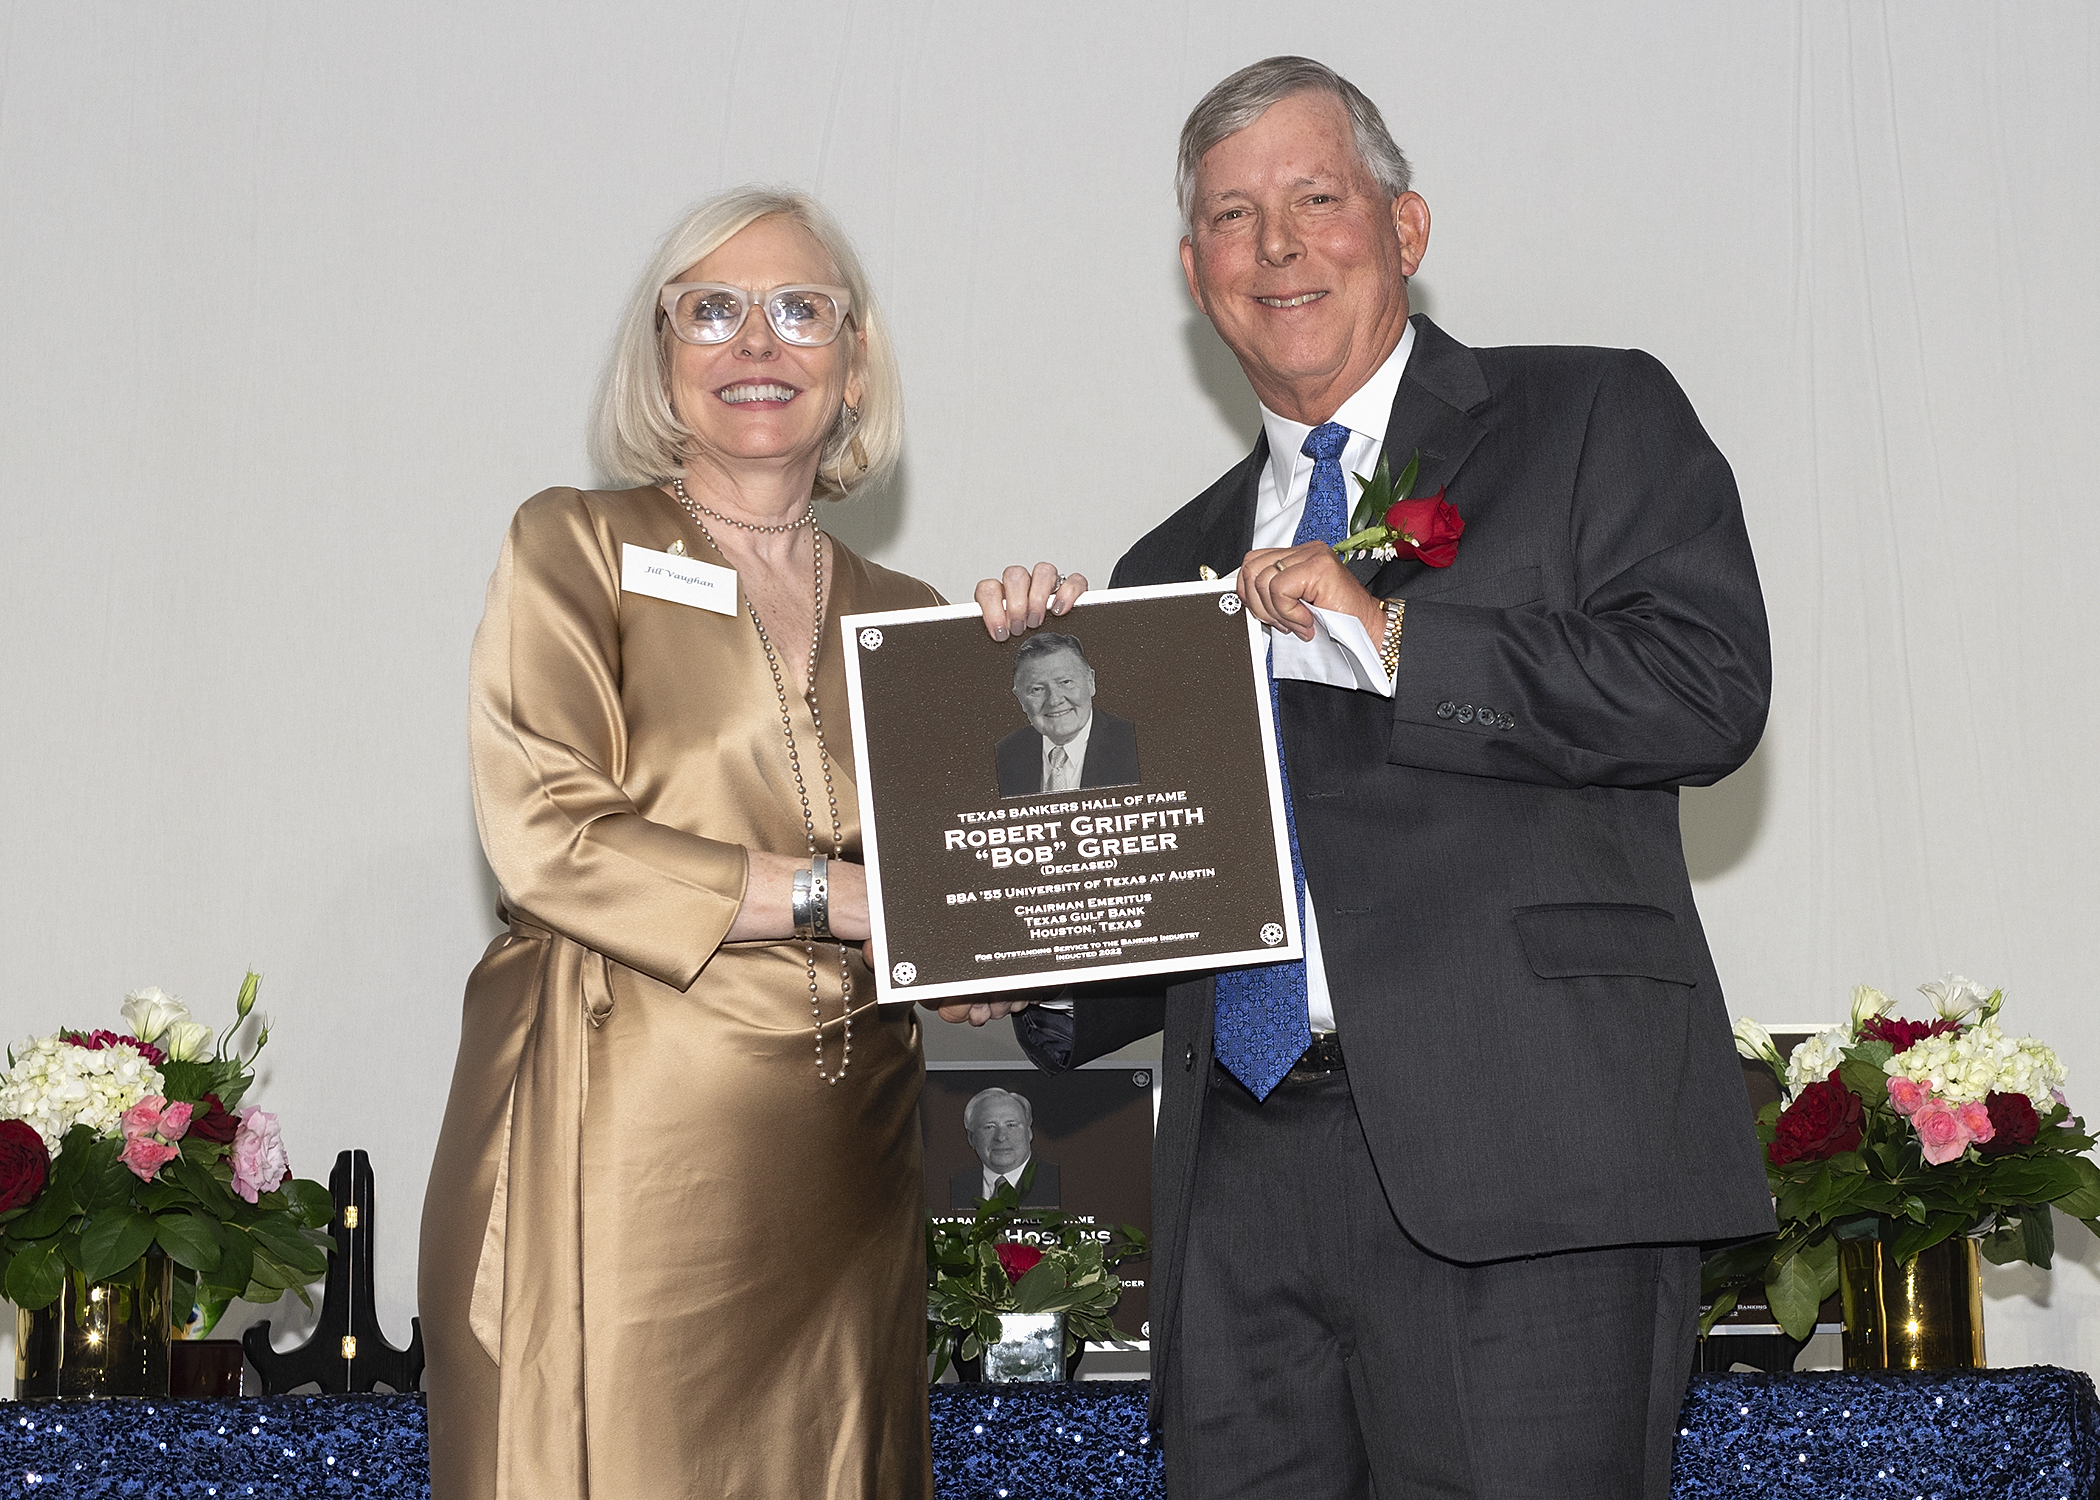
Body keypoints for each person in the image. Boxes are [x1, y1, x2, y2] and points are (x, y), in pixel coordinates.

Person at [956, 56, 1775, 1500]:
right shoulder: (1165, 567)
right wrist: (1021, 954)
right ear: (1195, 272)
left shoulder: (1590, 414)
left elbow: (1707, 689)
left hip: (1530, 1165)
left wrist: (1392, 637)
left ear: (1406, 227)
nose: (1276, 246)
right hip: (1237, 1201)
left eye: (1316, 199)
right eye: (1231, 216)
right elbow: (1198, 887)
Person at [419, 187, 939, 1500]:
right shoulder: (576, 544)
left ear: (855, 363)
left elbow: (951, 903)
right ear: (661, 360)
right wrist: (834, 896)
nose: (755, 343)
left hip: (847, 1159)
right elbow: (548, 836)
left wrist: (1034, 657)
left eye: (799, 310)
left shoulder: (913, 616)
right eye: (711, 311)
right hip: (620, 1143)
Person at [993, 632, 1141, 796]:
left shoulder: (1136, 744)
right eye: (1037, 689)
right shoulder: (1003, 756)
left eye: (1065, 682)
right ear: (1020, 698)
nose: (1054, 700)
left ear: (1090, 682)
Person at [948, 1086, 1061, 1207]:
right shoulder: (955, 1188)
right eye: (989, 1127)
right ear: (971, 1138)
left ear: (1029, 1132)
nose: (1001, 1137)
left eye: (1011, 1125)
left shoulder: (1059, 1181)